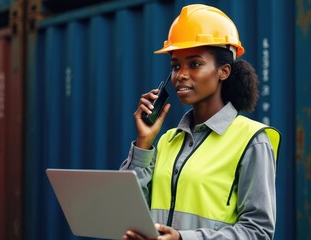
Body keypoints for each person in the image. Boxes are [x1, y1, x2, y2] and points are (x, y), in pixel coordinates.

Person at [120, 4, 281, 240]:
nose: (181, 75)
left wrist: (184, 238)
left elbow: (258, 232)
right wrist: (143, 143)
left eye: (194, 64)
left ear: (223, 71)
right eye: (176, 66)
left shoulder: (252, 141)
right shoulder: (166, 141)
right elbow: (127, 212)